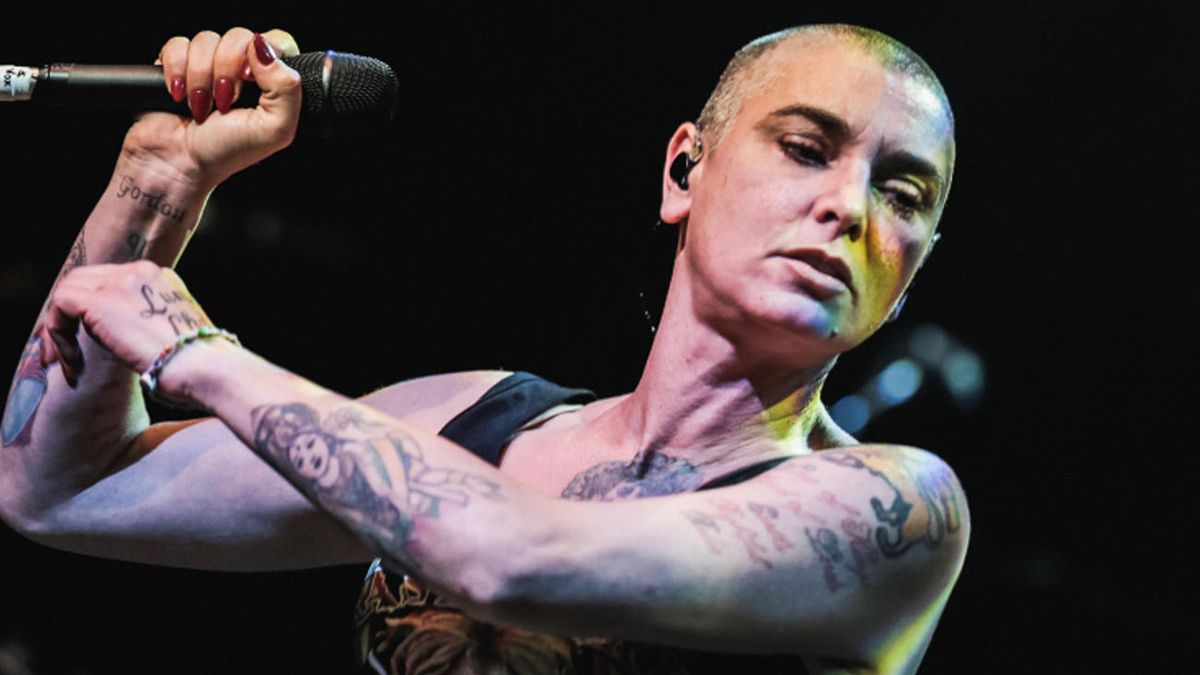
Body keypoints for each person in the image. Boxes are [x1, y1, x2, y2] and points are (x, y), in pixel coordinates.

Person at [0, 23, 968, 675]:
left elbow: (515, 559)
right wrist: (160, 180)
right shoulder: (478, 417)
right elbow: (53, 487)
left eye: (903, 193)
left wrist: (202, 355)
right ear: (684, 169)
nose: (849, 206)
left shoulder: (894, 512)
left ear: (915, 267)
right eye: (806, 148)